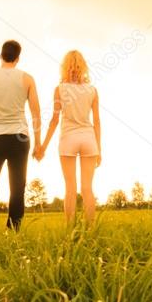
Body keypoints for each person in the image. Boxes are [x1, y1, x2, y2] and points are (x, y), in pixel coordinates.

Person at [0, 40, 42, 232]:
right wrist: (38, 143)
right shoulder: (27, 79)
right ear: (18, 58)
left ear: (1, 55)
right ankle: (13, 231)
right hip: (19, 138)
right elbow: (36, 114)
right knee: (17, 187)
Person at [36, 50, 101, 224]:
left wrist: (43, 146)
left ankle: (70, 230)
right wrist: (99, 149)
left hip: (68, 139)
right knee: (87, 188)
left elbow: (54, 120)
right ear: (83, 67)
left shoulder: (60, 89)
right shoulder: (92, 90)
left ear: (65, 67)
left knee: (70, 189)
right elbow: (97, 122)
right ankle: (91, 229)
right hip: (89, 139)